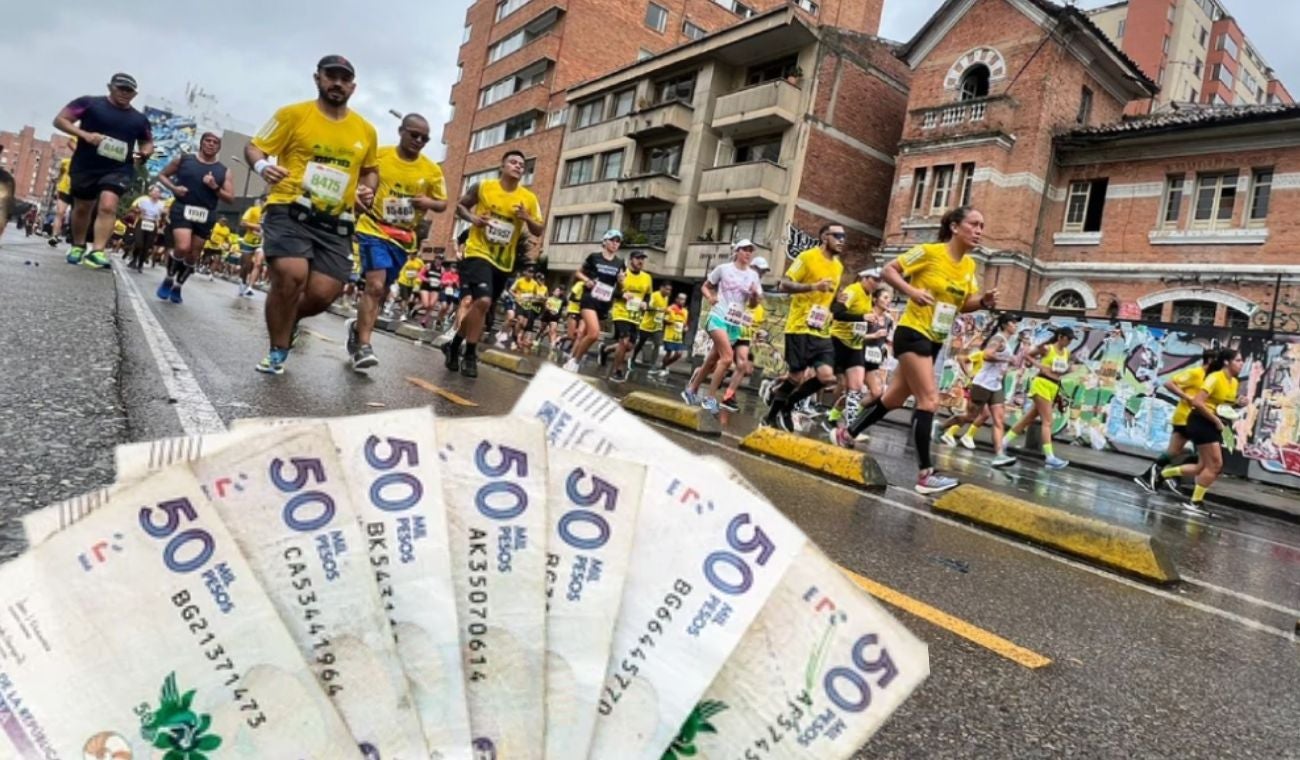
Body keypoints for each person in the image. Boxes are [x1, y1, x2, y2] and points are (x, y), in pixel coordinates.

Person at [836, 206, 997, 495]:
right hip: (912, 334)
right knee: (929, 400)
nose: (979, 230)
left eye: (982, 225)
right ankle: (925, 475)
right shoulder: (929, 252)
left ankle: (847, 432)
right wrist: (911, 292)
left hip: (934, 338)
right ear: (955, 227)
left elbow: (963, 304)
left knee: (894, 398)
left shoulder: (969, 267)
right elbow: (889, 270)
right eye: (974, 224)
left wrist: (983, 301)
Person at [245, 54, 380, 375]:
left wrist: (367, 189)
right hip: (289, 208)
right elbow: (254, 147)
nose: (337, 83)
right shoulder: (293, 114)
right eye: (331, 76)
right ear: (317, 78)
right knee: (291, 277)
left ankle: (287, 321)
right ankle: (278, 350)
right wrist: (263, 166)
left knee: (322, 295)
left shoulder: (366, 130)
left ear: (353, 87)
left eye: (344, 79)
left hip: (336, 221)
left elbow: (371, 171)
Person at [347, 113, 447, 370]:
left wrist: (428, 203)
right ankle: (364, 347)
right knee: (375, 285)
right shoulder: (380, 155)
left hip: (403, 238)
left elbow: (443, 203)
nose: (419, 141)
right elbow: (359, 176)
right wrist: (362, 192)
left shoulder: (431, 169)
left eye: (425, 138)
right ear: (401, 131)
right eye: (414, 135)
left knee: (380, 290)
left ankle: (357, 329)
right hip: (373, 228)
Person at [443, 149, 543, 377]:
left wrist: (526, 218)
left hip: (503, 262)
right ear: (502, 166)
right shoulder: (483, 187)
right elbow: (460, 206)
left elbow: (539, 228)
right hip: (478, 252)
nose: (518, 166)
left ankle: (454, 344)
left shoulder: (528, 199)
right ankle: (470, 354)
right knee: (483, 300)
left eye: (522, 164)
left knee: (483, 307)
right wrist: (474, 219)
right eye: (513, 162)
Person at [53, 73, 154, 269]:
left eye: (129, 91)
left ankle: (98, 251)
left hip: (118, 168)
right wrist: (85, 135)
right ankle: (78, 245)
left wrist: (144, 154)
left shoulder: (139, 119)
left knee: (108, 204)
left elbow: (148, 142)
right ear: (110, 87)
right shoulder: (89, 103)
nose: (125, 93)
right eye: (121, 88)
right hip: (86, 165)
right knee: (82, 207)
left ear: (135, 94)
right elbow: (60, 120)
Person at [763, 225, 846, 431]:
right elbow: (785, 285)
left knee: (827, 377)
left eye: (844, 237)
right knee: (796, 377)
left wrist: (840, 301)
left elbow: (830, 302)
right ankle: (771, 415)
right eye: (837, 236)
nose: (842, 240)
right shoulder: (807, 257)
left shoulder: (838, 267)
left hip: (820, 330)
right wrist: (813, 286)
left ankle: (789, 405)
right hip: (799, 327)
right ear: (824, 237)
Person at [1157, 348, 1243, 515]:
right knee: (1216, 465)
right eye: (1238, 360)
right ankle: (1195, 502)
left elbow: (1223, 404)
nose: (1242, 364)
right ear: (1227, 362)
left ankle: (1165, 474)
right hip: (1201, 422)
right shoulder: (1214, 378)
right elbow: (1198, 402)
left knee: (1201, 467)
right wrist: (1217, 420)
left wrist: (1239, 403)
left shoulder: (1234, 382)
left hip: (1212, 423)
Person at [682, 240, 763, 413]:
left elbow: (754, 304)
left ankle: (691, 389)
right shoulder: (723, 269)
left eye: (751, 251)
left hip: (734, 323)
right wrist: (710, 297)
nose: (748, 253)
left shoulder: (753, 276)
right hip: (718, 316)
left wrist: (755, 296)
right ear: (737, 251)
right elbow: (705, 286)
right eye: (745, 250)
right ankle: (710, 398)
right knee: (726, 358)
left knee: (712, 360)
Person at [155, 132, 234, 303]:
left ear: (219, 147)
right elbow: (162, 175)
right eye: (208, 141)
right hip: (182, 207)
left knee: (193, 255)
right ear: (201, 143)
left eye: (215, 142)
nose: (211, 144)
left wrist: (214, 187)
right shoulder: (184, 160)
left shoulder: (224, 171)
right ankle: (169, 278)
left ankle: (178, 286)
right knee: (183, 247)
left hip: (206, 213)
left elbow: (230, 198)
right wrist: (174, 189)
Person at [1134, 348, 1218, 495]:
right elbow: (1169, 384)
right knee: (1204, 454)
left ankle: (1154, 477)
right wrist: (1187, 397)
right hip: (1186, 418)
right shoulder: (1196, 373)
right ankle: (1166, 477)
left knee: (1176, 451)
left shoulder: (1212, 378)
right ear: (1210, 360)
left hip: (1195, 419)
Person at [939, 313, 1020, 467]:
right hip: (982, 384)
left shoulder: (1007, 342)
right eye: (1013, 323)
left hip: (995, 385)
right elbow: (988, 355)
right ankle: (941, 427)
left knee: (998, 420)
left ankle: (999, 455)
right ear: (1005, 325)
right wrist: (1007, 359)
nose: (1016, 325)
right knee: (970, 416)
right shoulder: (998, 339)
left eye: (1016, 323)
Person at [999, 326, 1075, 469]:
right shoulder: (1047, 348)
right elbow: (1027, 355)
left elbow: (1059, 371)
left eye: (1071, 339)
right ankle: (1050, 457)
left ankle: (1003, 442)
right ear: (1060, 337)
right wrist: (1039, 366)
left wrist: (1068, 371)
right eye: (1068, 338)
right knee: (1047, 421)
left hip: (1054, 386)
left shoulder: (1066, 353)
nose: (1070, 341)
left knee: (1028, 418)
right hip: (1041, 384)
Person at [825, 268, 883, 438]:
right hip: (838, 341)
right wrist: (862, 317)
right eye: (874, 279)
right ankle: (795, 405)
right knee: (823, 378)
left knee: (856, 387)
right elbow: (838, 313)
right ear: (864, 277)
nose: (877, 283)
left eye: (879, 280)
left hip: (855, 346)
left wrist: (867, 321)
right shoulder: (853, 290)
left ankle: (850, 429)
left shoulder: (868, 296)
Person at [563, 229, 625, 372]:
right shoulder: (594, 257)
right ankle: (575, 362)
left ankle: (572, 357)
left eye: (618, 241)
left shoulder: (620, 263)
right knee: (594, 333)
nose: (615, 244)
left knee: (586, 335)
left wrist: (621, 282)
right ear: (605, 241)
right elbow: (578, 272)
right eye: (612, 240)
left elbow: (620, 286)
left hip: (604, 302)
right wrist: (587, 280)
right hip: (589, 298)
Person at [719, 258, 770, 411]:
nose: (761, 274)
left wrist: (759, 332)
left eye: (763, 272)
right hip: (729, 329)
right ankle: (702, 374)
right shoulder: (740, 281)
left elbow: (756, 318)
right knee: (721, 363)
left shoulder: (759, 292)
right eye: (759, 270)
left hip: (745, 336)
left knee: (744, 368)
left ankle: (728, 396)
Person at [609, 250, 653, 382]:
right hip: (621, 312)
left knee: (629, 346)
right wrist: (622, 295)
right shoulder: (622, 274)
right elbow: (611, 292)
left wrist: (645, 302)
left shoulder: (647, 277)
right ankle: (617, 371)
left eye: (642, 259)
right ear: (631, 260)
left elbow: (648, 294)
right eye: (638, 258)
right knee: (625, 340)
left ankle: (605, 350)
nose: (641, 261)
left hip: (635, 315)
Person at [634, 280, 673, 367]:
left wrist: (666, 314)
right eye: (667, 289)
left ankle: (652, 364)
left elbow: (663, 310)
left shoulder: (666, 298)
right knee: (641, 343)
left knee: (657, 344)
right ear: (661, 288)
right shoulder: (655, 295)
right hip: (646, 325)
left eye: (670, 290)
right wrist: (659, 309)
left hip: (657, 326)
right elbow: (648, 307)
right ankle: (633, 358)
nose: (668, 292)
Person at [237, 196, 266, 297]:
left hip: (262, 242)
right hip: (248, 241)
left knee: (258, 264)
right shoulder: (253, 210)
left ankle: (250, 287)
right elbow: (243, 223)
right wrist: (257, 226)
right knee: (246, 265)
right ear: (262, 202)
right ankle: (243, 282)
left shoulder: (272, 213)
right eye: (266, 201)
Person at [48, 143, 75, 247]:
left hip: (77, 191)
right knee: (60, 213)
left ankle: (73, 236)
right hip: (64, 189)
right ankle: (54, 236)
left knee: (75, 215)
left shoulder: (86, 164)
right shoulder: (65, 162)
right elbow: (60, 175)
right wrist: (56, 180)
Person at [435, 261, 461, 330]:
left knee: (447, 308)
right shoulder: (446, 274)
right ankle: (438, 319)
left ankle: (440, 320)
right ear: (450, 268)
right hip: (444, 292)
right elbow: (442, 282)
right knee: (444, 306)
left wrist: (455, 284)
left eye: (455, 268)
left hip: (451, 293)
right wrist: (447, 282)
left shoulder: (457, 276)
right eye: (453, 268)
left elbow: (458, 286)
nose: (454, 269)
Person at [538, 285, 566, 351]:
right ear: (553, 292)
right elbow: (546, 306)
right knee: (542, 328)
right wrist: (550, 309)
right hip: (546, 316)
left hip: (555, 317)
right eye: (557, 291)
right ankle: (539, 337)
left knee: (553, 330)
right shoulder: (550, 298)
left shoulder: (563, 299)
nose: (558, 292)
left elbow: (565, 307)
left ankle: (552, 345)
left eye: (559, 291)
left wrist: (564, 314)